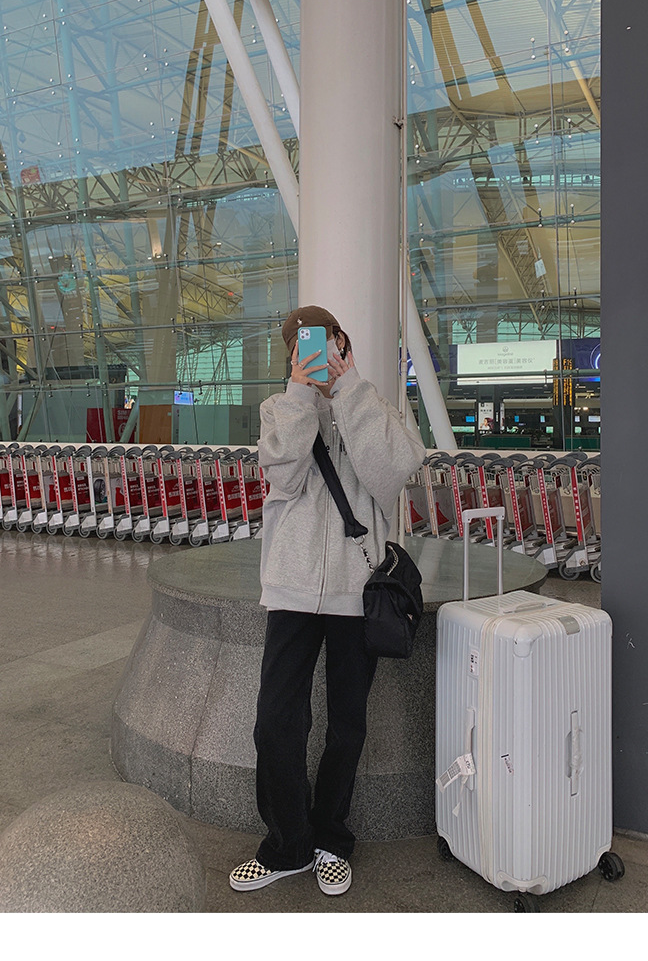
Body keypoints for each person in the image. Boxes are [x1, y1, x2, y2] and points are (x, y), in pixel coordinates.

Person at [229, 305, 426, 896]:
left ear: (343, 342)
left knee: (347, 726)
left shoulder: (376, 407)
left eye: (324, 340)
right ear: (291, 356)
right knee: (275, 723)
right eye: (300, 347)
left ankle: (331, 839)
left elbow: (391, 474)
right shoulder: (279, 408)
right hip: (290, 589)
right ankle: (287, 845)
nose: (314, 352)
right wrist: (300, 394)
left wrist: (348, 391)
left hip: (356, 590)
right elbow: (284, 477)